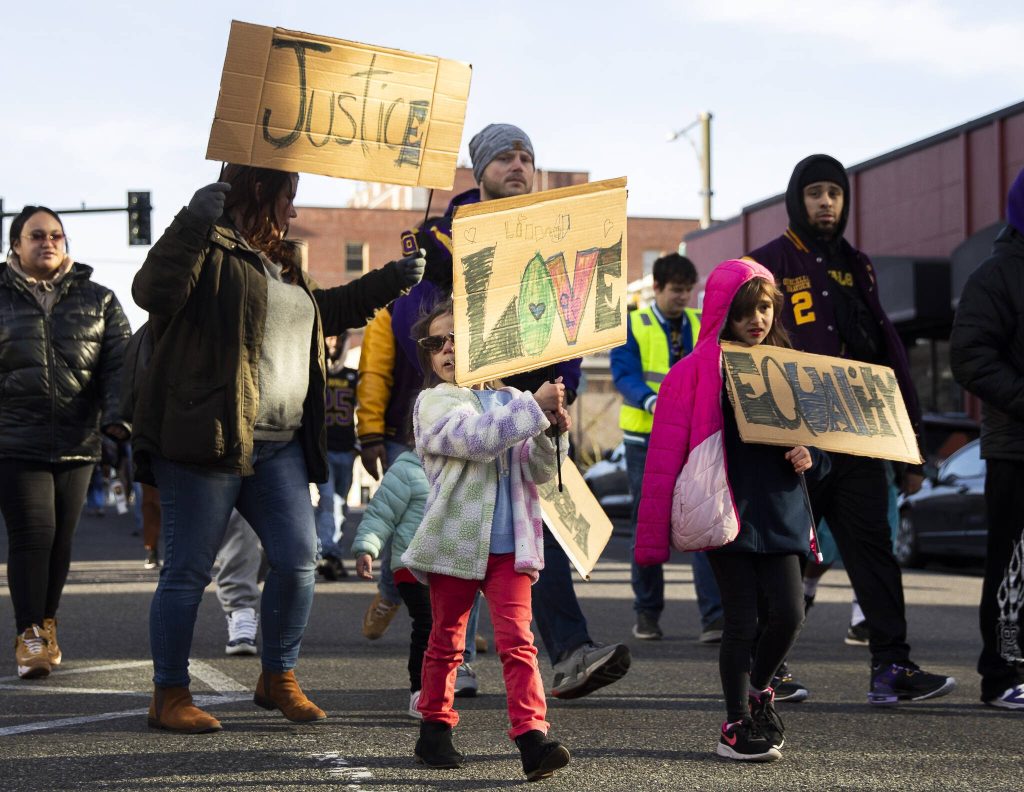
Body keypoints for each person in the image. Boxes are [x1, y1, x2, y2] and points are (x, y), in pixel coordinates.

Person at [131, 165, 425, 733]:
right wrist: (193, 220)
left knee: (299, 558)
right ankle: (168, 694)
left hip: (280, 444)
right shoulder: (206, 243)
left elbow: (327, 314)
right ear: (259, 191)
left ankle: (278, 676)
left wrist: (393, 278)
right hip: (207, 441)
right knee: (188, 571)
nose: (294, 211)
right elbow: (153, 292)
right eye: (289, 197)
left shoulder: (284, 262)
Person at [358, 122, 631, 699]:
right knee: (455, 534)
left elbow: (570, 319)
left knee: (538, 536)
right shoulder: (437, 238)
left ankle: (570, 655)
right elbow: (414, 319)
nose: (518, 166)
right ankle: (451, 660)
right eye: (505, 157)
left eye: (526, 157)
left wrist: (562, 391)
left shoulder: (553, 232)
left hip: (527, 409)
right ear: (479, 169)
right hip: (463, 408)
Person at [747, 154, 955, 705]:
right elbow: (741, 348)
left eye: (834, 194)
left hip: (860, 435)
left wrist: (911, 449)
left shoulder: (858, 265)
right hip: (794, 439)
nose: (825, 202)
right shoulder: (765, 263)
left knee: (875, 553)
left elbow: (890, 357)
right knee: (786, 553)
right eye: (815, 192)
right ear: (798, 198)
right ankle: (766, 672)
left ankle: (892, 667)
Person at [636, 259, 829, 761]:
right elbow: (661, 461)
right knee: (740, 622)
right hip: (725, 513)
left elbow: (826, 440)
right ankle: (735, 725)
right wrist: (650, 542)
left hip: (782, 510)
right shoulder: (691, 374)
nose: (757, 319)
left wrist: (814, 456)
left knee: (789, 615)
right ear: (723, 313)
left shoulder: (792, 366)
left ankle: (760, 690)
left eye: (765, 308)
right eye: (745, 311)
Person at [402, 300, 572, 782]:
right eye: (436, 343)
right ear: (430, 357)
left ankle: (532, 739)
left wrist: (553, 433)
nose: (447, 349)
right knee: (446, 642)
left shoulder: (512, 399)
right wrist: (532, 408)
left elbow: (541, 471)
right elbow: (475, 439)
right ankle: (434, 728)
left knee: (519, 643)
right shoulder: (434, 401)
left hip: (511, 546)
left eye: (456, 337)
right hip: (454, 542)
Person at [0, 205, 131, 679]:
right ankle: (29, 634)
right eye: (36, 235)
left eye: (56, 235)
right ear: (15, 244)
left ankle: (47, 623)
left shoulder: (99, 299)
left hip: (79, 438)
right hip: (14, 438)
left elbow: (121, 364)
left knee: (60, 541)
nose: (48, 242)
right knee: (33, 534)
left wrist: (118, 419)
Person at [610, 252, 724, 642]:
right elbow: (623, 375)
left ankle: (714, 618)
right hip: (646, 436)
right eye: (676, 290)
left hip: (695, 436)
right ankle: (646, 614)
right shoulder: (634, 324)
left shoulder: (701, 323)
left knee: (704, 521)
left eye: (688, 291)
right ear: (655, 287)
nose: (683, 298)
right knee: (649, 525)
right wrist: (652, 401)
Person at [949, 166, 1024, 710]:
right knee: (1014, 569)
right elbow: (971, 358)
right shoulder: (996, 276)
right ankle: (1003, 675)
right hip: (1017, 449)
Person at [352, 447, 430, 718]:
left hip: (451, 565)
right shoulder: (407, 469)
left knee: (448, 629)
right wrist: (366, 548)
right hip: (410, 563)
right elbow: (381, 513)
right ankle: (420, 692)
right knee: (427, 623)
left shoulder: (465, 468)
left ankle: (444, 686)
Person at [315, 332, 358, 581]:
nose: (333, 344)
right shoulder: (318, 375)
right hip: (325, 449)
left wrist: (360, 445)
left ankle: (334, 553)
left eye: (338, 340)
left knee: (340, 503)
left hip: (347, 449)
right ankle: (328, 554)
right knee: (328, 501)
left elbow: (363, 410)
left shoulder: (353, 377)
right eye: (329, 339)